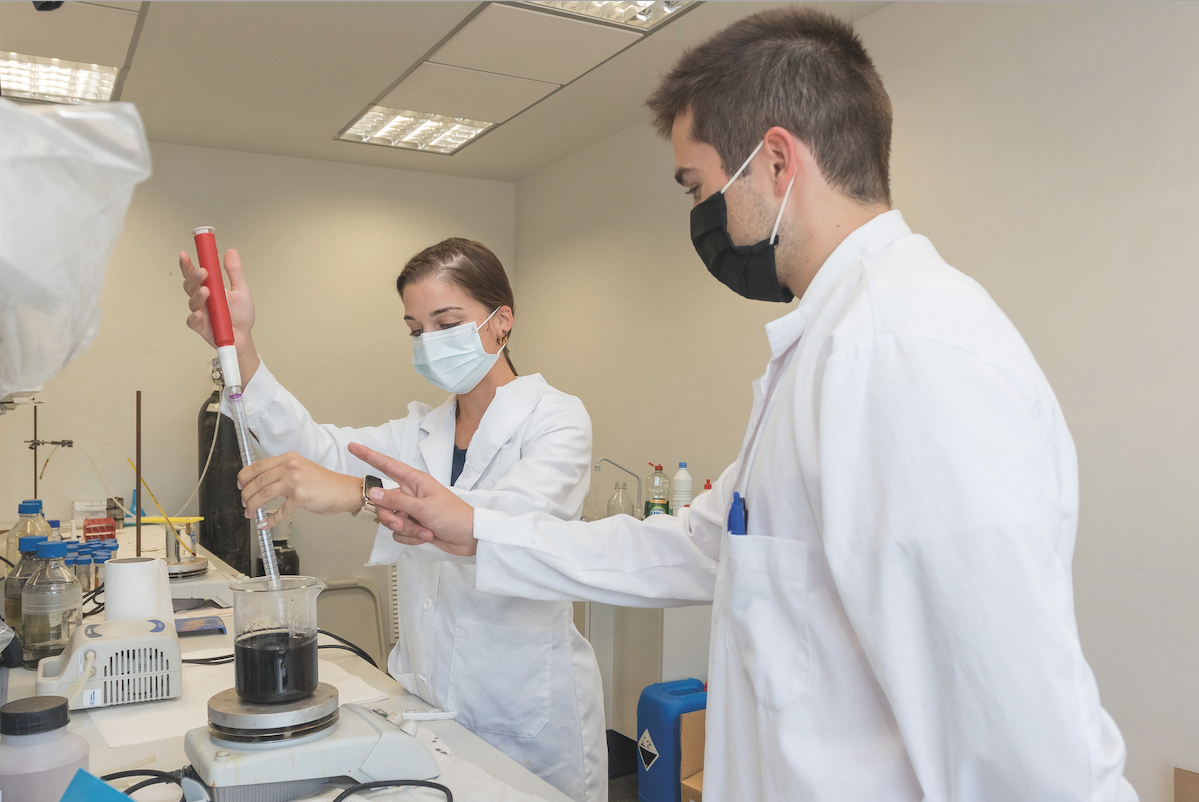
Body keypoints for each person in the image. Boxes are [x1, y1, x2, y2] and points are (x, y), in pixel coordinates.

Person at [350, 9, 1138, 802]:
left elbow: (1022, 733)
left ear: (774, 160)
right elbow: (692, 547)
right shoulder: (828, 347)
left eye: (699, 186)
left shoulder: (903, 350)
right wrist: (475, 527)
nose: (702, 217)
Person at [177, 238, 606, 802]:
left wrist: (361, 493)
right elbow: (314, 451)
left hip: (524, 709)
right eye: (415, 329)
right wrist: (243, 349)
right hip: (426, 699)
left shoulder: (556, 420)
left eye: (447, 322)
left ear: (502, 322)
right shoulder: (418, 432)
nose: (429, 343)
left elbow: (499, 524)